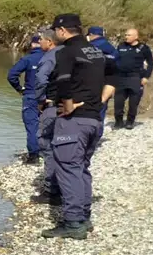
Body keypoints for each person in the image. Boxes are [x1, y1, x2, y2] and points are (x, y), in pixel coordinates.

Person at [40, 14, 115, 240]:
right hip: (94, 119)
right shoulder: (98, 52)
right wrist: (99, 101)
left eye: (55, 31)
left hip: (75, 121)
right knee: (82, 167)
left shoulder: (67, 52)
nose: (55, 34)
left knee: (68, 168)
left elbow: (63, 81)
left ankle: (73, 223)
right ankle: (83, 217)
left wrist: (69, 106)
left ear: (62, 31)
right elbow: (114, 79)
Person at [30, 29, 61, 204]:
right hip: (72, 107)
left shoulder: (49, 57)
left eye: (41, 39)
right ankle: (64, 187)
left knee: (46, 143)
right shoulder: (69, 53)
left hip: (53, 105)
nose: (39, 42)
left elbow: (41, 79)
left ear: (50, 42)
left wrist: (40, 101)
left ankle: (51, 191)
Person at [7, 34, 45, 161]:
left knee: (32, 125)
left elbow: (12, 75)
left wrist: (20, 88)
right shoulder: (53, 57)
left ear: (33, 44)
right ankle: (48, 153)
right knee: (48, 124)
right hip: (49, 97)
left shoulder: (28, 59)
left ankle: (34, 156)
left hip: (31, 96)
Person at [113, 28, 153, 129]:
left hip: (135, 77)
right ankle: (118, 121)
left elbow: (150, 63)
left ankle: (130, 121)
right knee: (118, 101)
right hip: (121, 77)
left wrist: (146, 77)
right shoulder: (121, 46)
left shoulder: (143, 48)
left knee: (133, 102)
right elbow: (115, 60)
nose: (126, 37)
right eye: (126, 35)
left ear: (136, 37)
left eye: (129, 35)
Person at [85, 26, 118, 138]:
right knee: (101, 109)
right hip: (108, 83)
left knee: (88, 111)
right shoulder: (112, 48)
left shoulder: (90, 47)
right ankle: (97, 135)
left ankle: (88, 136)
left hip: (91, 83)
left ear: (91, 35)